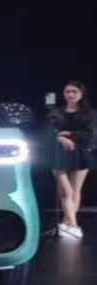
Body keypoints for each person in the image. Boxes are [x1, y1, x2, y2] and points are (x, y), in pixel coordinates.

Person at [50, 81, 92, 239]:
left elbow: (90, 135)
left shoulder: (89, 113)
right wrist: (59, 138)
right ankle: (74, 226)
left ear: (81, 94)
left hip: (80, 153)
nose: (70, 94)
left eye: (74, 91)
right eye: (67, 91)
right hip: (57, 154)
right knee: (65, 191)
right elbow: (47, 132)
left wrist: (69, 136)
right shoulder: (56, 112)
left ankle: (66, 224)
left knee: (75, 191)